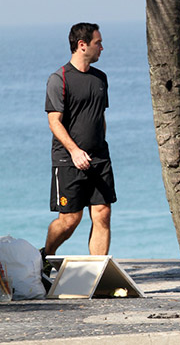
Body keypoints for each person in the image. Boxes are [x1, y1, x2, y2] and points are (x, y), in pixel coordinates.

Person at [43, 23, 116, 260]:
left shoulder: (100, 79)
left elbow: (99, 116)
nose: (102, 48)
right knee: (70, 220)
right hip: (68, 159)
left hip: (99, 157)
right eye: (98, 43)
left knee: (102, 214)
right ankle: (46, 257)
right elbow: (55, 122)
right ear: (82, 45)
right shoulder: (59, 78)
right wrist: (74, 151)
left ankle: (96, 272)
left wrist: (100, 148)